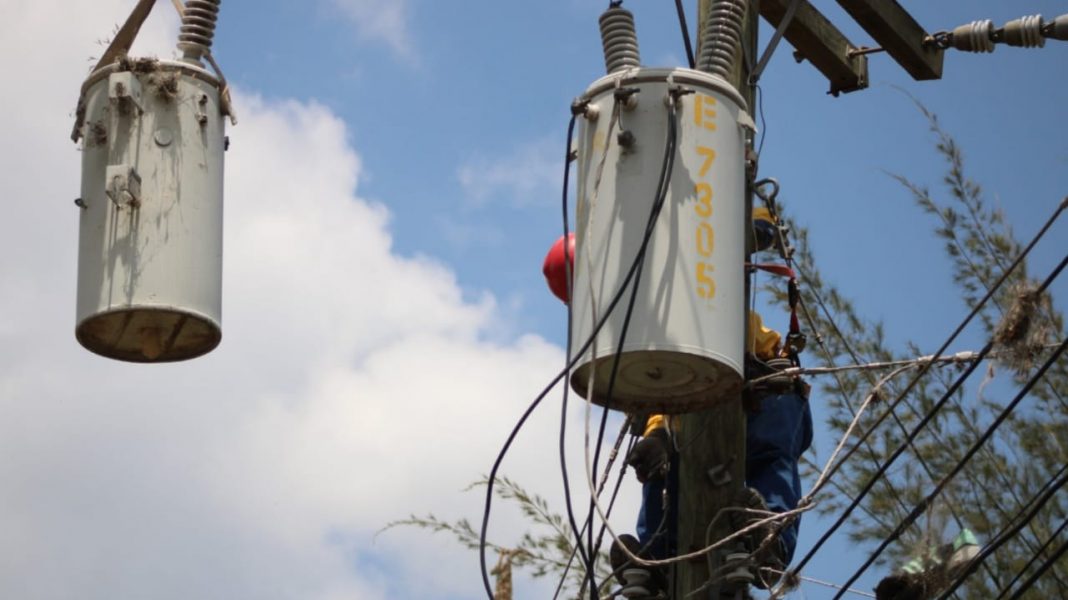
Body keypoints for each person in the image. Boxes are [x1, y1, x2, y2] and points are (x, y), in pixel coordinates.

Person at [542, 208, 813, 594]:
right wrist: (656, 438)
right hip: (688, 399)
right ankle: (657, 561)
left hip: (767, 379)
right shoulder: (624, 336)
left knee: (769, 455)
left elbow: (732, 189)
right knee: (658, 466)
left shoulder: (668, 261)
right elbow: (655, 394)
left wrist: (751, 223)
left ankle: (768, 543)